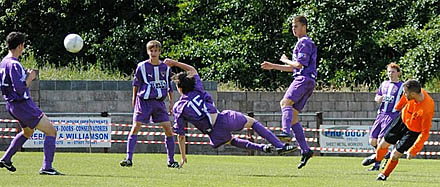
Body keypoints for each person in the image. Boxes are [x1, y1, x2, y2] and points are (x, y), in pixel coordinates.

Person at [165, 59, 296, 168]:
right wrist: (174, 63)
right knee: (253, 123)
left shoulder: (179, 107)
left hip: (214, 132)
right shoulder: (197, 88)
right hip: (223, 119)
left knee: (231, 141)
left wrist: (183, 156)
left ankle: (262, 148)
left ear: (180, 88)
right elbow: (193, 70)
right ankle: (279, 146)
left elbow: (181, 136)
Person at [0, 32, 62, 175]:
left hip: (11, 105)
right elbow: (20, 88)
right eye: (24, 45)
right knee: (51, 131)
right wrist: (31, 77)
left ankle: (6, 159)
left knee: (28, 132)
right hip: (23, 104)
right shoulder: (14, 64)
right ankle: (47, 167)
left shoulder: (4, 62)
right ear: (20, 46)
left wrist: (25, 76)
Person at [260, 15, 317, 169]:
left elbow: (298, 65)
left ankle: (285, 133)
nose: (294, 29)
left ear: (304, 26)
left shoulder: (304, 42)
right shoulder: (301, 43)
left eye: (296, 26)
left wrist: (284, 60)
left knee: (285, 102)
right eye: (292, 27)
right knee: (293, 117)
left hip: (303, 79)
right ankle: (306, 150)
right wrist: (273, 65)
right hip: (308, 80)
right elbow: (294, 67)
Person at [120, 40, 179, 168]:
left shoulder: (165, 68)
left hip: (159, 103)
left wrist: (171, 103)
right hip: (144, 101)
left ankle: (171, 160)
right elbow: (136, 85)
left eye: (156, 51)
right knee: (135, 127)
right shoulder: (142, 66)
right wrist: (134, 100)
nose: (153, 53)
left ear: (159, 52)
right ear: (148, 51)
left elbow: (169, 87)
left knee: (169, 130)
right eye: (151, 50)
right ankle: (128, 158)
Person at [362, 79, 435, 181]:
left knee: (395, 155)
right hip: (401, 120)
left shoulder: (427, 109)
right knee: (382, 144)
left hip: (413, 131)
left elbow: (425, 132)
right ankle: (377, 158)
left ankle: (384, 174)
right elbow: (405, 99)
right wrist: (398, 106)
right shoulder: (415, 93)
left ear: (413, 94)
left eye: (405, 92)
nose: (403, 94)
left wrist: (414, 150)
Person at [367, 63, 403, 171]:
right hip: (381, 114)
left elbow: (407, 100)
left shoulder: (402, 86)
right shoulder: (384, 84)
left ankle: (377, 164)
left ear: (398, 73)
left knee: (380, 141)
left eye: (392, 71)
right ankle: (386, 154)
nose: (390, 74)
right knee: (372, 141)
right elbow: (377, 96)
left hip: (392, 115)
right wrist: (378, 99)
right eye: (389, 72)